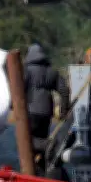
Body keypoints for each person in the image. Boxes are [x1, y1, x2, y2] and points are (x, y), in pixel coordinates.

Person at [23, 43, 70, 174]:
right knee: (39, 146)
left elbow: (17, 92)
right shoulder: (52, 72)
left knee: (27, 142)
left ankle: (48, 145)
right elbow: (64, 90)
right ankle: (41, 170)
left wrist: (11, 106)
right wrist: (63, 111)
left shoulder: (26, 72)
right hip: (46, 113)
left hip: (30, 113)